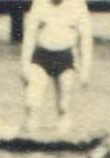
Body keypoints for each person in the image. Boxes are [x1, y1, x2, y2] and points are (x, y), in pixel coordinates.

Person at [19, 0, 92, 134]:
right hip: (41, 56)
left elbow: (86, 39)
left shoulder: (78, 4)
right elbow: (29, 36)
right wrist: (24, 65)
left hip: (65, 59)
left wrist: (85, 69)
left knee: (64, 106)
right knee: (32, 104)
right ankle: (30, 141)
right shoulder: (39, 3)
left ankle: (63, 143)